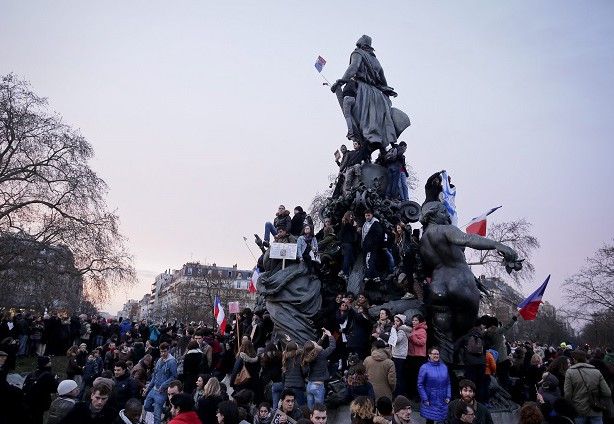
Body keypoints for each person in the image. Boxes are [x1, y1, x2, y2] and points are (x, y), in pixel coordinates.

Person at [419, 200, 520, 363]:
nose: (446, 215)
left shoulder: (423, 240)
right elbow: (467, 239)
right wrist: (497, 245)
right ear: (434, 214)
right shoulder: (445, 230)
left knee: (444, 339)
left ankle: (445, 370)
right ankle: (462, 370)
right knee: (464, 332)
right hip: (460, 283)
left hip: (437, 287)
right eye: (443, 211)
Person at [331, 35, 400, 150]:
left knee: (362, 121)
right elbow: (383, 79)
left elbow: (353, 67)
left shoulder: (357, 53)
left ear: (360, 45)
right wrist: (386, 92)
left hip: (363, 91)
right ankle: (380, 147)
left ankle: (356, 137)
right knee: (376, 122)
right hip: (378, 95)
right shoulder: (375, 60)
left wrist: (342, 81)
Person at [564, 349, 611, 424]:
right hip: (596, 408)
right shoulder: (596, 371)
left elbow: (567, 394)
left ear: (574, 359)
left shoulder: (570, 372)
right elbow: (607, 393)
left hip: (578, 409)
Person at [143, 341, 178, 424]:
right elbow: (154, 375)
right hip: (154, 389)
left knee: (156, 416)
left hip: (162, 392)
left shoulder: (172, 361)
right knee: (146, 406)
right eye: (161, 351)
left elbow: (174, 376)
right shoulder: (159, 360)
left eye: (164, 351)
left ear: (168, 350)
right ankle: (166, 410)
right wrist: (148, 388)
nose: (162, 353)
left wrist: (163, 385)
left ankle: (160, 411)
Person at [302, 328, 336, 409]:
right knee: (319, 410)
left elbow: (314, 348)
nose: (315, 342)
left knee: (311, 410)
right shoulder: (321, 354)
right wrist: (330, 335)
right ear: (314, 347)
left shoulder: (307, 356)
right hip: (318, 386)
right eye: (314, 342)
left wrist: (323, 337)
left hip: (309, 385)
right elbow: (332, 347)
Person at [417, 347, 451, 424]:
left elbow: (448, 383)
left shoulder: (444, 367)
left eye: (437, 354)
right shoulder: (424, 367)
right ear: (429, 355)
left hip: (442, 399)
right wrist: (425, 399)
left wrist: (448, 396)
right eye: (434, 354)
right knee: (430, 420)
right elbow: (420, 385)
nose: (436, 356)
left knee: (442, 419)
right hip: (430, 399)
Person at [25, 355, 58, 424]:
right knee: (38, 418)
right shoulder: (49, 376)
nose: (51, 362)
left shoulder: (31, 374)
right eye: (49, 361)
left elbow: (24, 388)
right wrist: (55, 380)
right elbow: (55, 389)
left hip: (29, 401)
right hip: (41, 403)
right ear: (46, 364)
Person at [406, 314, 427, 401]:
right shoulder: (414, 329)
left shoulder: (422, 330)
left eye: (415, 320)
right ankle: (412, 394)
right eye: (413, 320)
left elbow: (422, 342)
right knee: (411, 376)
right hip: (412, 356)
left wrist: (412, 337)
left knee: (418, 377)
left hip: (419, 357)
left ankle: (418, 396)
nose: (413, 322)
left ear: (420, 321)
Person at [388, 314, 409, 397]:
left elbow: (396, 340)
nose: (395, 323)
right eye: (395, 320)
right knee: (397, 374)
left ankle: (400, 393)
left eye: (397, 321)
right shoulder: (397, 331)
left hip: (400, 356)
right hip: (395, 355)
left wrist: (393, 330)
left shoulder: (401, 331)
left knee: (399, 375)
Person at [362, 209, 385, 283]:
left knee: (369, 260)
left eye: (369, 215)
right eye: (366, 215)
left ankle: (368, 276)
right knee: (369, 260)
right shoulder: (365, 224)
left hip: (372, 246)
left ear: (372, 215)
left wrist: (372, 243)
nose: (367, 217)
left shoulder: (375, 223)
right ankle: (376, 276)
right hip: (367, 246)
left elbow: (379, 235)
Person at [282, 342, 306, 407]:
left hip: (287, 386)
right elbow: (304, 372)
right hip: (297, 386)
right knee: (301, 407)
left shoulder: (285, 358)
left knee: (288, 407)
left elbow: (283, 374)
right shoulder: (299, 358)